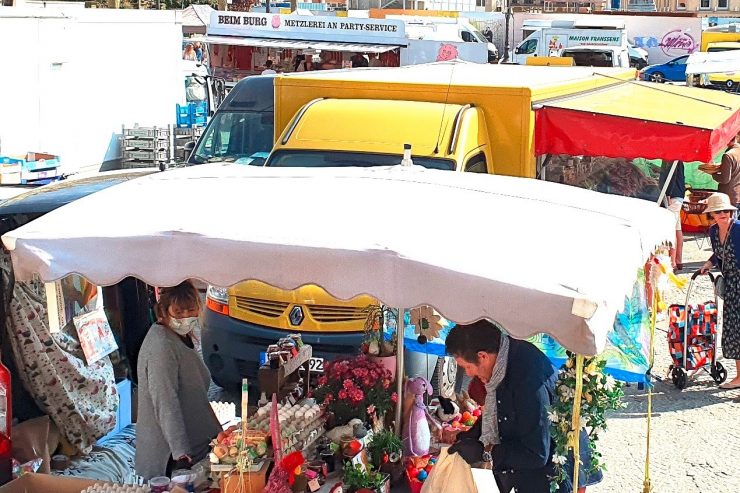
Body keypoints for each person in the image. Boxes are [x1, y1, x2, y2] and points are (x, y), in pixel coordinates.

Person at [445, 320, 600, 493]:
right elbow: (499, 409)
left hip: (553, 473)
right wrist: (471, 436)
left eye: (467, 367)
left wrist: (486, 452)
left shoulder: (527, 380)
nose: (468, 374)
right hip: (533, 465)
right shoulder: (505, 357)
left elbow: (536, 453)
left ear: (483, 356)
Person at [135, 281, 221, 480]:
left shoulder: (180, 337)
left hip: (199, 444)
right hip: (170, 458)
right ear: (164, 312)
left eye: (191, 310)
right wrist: (180, 453)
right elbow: (165, 402)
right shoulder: (161, 346)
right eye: (178, 312)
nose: (185, 317)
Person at [700, 193, 740, 390]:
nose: (723, 214)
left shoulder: (738, 229)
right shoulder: (714, 231)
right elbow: (719, 252)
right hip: (732, 285)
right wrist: (709, 263)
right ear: (712, 215)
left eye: (726, 210)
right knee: (733, 330)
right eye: (718, 211)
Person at [659, 161, 686, 270]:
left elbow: (672, 175)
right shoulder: (678, 157)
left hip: (672, 196)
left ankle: (673, 262)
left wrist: (668, 193)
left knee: (671, 229)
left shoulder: (672, 155)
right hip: (677, 195)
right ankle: (678, 261)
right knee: (677, 228)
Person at [707, 135, 740, 210]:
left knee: (729, 221)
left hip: (728, 197)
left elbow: (725, 179)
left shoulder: (728, 155)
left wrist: (712, 173)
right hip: (737, 196)